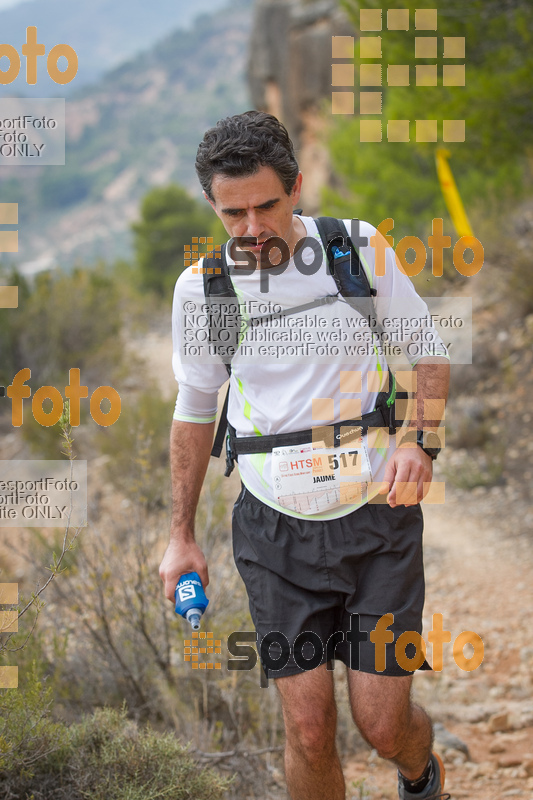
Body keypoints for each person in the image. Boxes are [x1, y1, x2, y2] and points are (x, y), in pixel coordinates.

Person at [159, 110, 451, 800]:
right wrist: (179, 536)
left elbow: (428, 355)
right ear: (212, 205)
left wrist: (418, 441)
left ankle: (419, 771)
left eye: (266, 205)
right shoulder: (206, 291)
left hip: (376, 520)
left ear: (294, 187)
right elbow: (196, 410)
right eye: (234, 213)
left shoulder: (353, 251)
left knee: (382, 726)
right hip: (272, 531)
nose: (252, 228)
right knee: (310, 731)